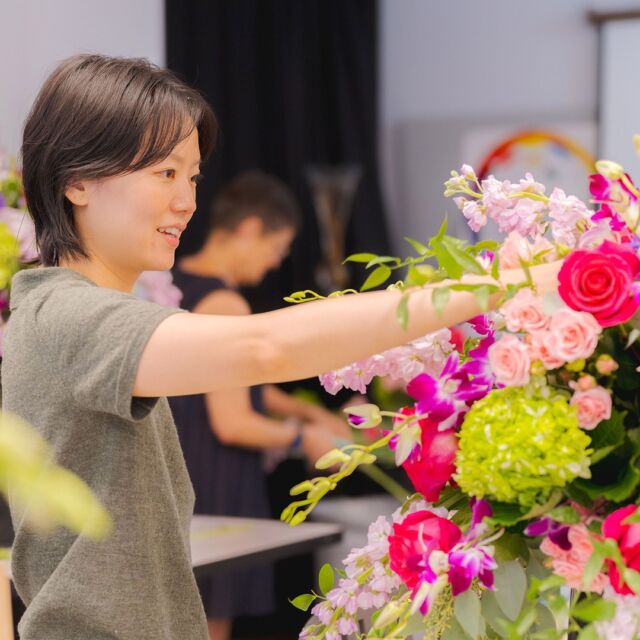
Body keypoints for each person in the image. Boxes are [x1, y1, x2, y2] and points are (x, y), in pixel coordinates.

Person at [0, 54, 562, 640]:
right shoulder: (67, 315)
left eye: (191, 177)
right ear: (76, 180)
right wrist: (488, 288)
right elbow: (265, 348)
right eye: (164, 173)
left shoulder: (70, 311)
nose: (187, 201)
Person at [169, 170, 350, 640]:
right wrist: (304, 437)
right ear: (250, 228)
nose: (274, 263)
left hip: (182, 473)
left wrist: (309, 411)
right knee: (207, 625)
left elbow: (240, 385)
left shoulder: (174, 285)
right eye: (277, 248)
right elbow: (232, 421)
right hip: (215, 481)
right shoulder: (225, 303)